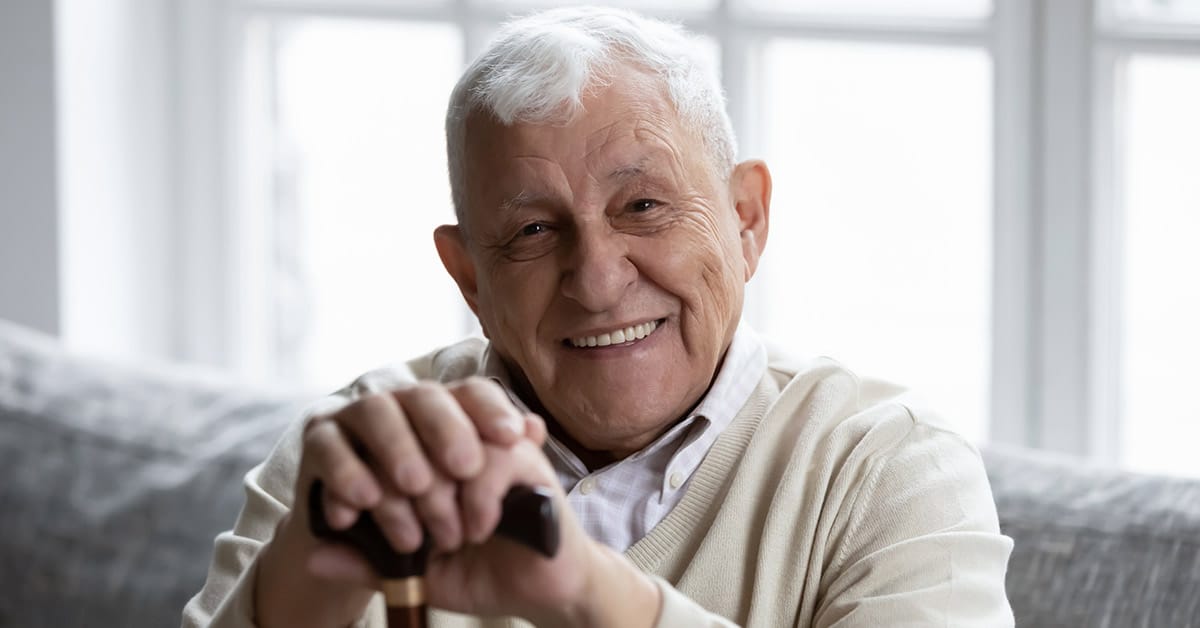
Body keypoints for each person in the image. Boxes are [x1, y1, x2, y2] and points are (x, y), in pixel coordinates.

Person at [182, 6, 1014, 627]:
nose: (599, 279)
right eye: (534, 231)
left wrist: (592, 592)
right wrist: (303, 586)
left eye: (644, 205)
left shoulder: (887, 466)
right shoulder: (372, 446)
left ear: (747, 219)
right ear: (469, 276)